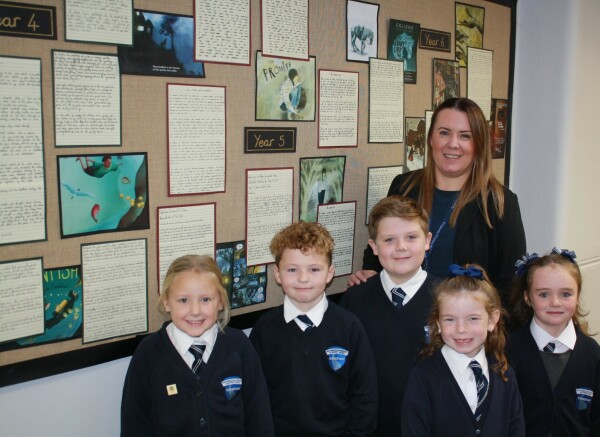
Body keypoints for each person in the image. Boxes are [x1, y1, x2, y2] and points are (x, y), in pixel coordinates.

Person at [349, 97, 526, 309]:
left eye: (465, 136)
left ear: (479, 144)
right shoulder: (404, 186)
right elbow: (380, 241)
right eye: (444, 133)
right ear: (431, 138)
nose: (453, 143)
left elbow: (511, 285)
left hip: (463, 328)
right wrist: (370, 272)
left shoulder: (499, 202)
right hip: (402, 314)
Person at [121, 255, 274, 436]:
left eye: (205, 300)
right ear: (166, 302)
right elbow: (135, 425)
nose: (195, 311)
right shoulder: (148, 353)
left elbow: (259, 419)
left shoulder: (238, 345)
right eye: (183, 300)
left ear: (221, 302)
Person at [250, 222, 378, 436]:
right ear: (278, 274)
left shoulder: (349, 327)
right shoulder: (264, 330)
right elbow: (254, 396)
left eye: (314, 269)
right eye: (292, 269)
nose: (303, 278)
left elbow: (365, 395)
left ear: (330, 274)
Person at [339, 195, 436, 435]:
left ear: (427, 240)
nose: (401, 247)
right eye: (389, 239)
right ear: (373, 246)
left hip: (431, 425)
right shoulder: (354, 301)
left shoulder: (448, 302)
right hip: (369, 427)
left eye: (411, 237)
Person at [401, 264, 524, 436]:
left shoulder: (505, 374)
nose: (461, 329)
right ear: (438, 323)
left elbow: (516, 430)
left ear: (492, 320)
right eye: (450, 319)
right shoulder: (423, 377)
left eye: (472, 318)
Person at [508, 248, 600, 436]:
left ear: (577, 295)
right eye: (543, 294)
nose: (555, 302)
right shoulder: (508, 350)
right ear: (527, 297)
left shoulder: (592, 354)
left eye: (566, 294)